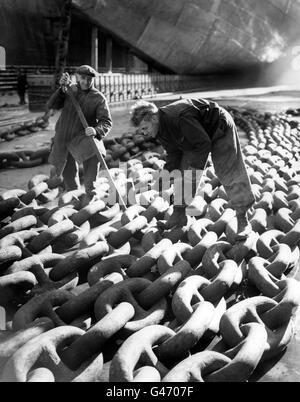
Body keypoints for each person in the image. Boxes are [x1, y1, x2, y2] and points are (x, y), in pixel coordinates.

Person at [130, 98, 255, 241]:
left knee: (228, 170)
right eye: (141, 131)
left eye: (145, 128)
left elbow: (203, 144)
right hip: (194, 138)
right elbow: (173, 152)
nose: (144, 134)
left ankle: (242, 219)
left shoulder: (179, 117)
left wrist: (194, 172)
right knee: (181, 174)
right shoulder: (159, 127)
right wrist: (167, 173)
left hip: (218, 127)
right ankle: (178, 215)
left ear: (153, 117)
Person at [46, 65, 112, 201]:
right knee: (67, 167)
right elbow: (52, 105)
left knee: (94, 154)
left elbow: (106, 121)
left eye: (89, 79)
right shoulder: (69, 90)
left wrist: (96, 130)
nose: (86, 82)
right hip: (64, 136)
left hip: (83, 137)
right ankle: (73, 192)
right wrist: (61, 89)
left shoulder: (98, 98)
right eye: (83, 78)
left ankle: (90, 192)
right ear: (77, 77)